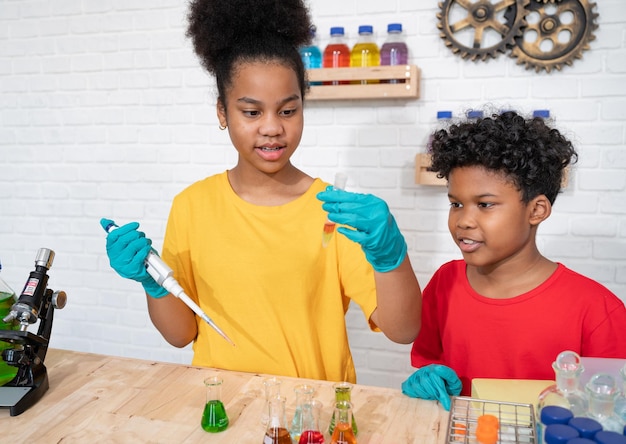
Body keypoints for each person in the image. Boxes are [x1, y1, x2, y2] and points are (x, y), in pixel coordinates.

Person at [101, 0, 421, 384]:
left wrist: (391, 258)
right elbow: (180, 335)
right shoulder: (192, 206)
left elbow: (403, 331)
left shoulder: (333, 210)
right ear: (222, 113)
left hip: (310, 419)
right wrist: (152, 282)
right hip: (221, 411)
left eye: (287, 111)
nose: (272, 128)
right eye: (252, 112)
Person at [402, 110, 626, 410]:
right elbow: (430, 359)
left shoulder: (597, 311)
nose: (463, 220)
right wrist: (428, 377)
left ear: (536, 211)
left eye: (485, 204)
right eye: (456, 203)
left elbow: (609, 413)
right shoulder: (446, 281)